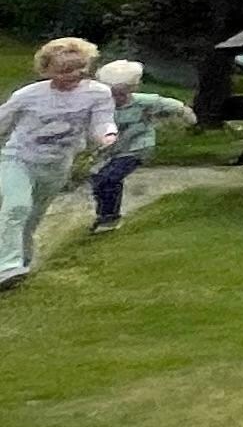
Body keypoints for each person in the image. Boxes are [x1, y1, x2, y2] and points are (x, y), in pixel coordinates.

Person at [1, 38, 116, 287]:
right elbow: (2, 122)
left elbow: (102, 121)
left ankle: (20, 265)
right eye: (65, 70)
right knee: (15, 208)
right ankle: (6, 266)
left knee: (31, 218)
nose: (74, 75)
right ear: (47, 70)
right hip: (19, 158)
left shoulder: (98, 93)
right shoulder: (28, 96)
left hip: (57, 164)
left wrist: (107, 135)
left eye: (80, 68)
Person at [86, 57, 190, 233]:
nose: (116, 98)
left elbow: (171, 105)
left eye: (121, 93)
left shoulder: (143, 102)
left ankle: (110, 219)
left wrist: (187, 115)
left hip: (137, 147)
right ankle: (104, 214)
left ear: (131, 89)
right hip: (113, 150)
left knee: (109, 178)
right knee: (98, 181)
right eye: (111, 93)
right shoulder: (100, 107)